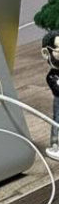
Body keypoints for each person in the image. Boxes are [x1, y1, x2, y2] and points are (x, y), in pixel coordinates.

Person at [41, 30, 59, 160]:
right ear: (47, 52)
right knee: (57, 121)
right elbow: (56, 89)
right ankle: (55, 144)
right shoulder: (52, 76)